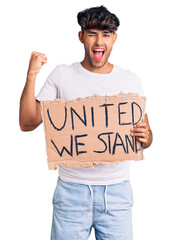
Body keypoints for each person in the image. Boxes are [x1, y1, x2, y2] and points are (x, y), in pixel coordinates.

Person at [19, 5, 153, 240]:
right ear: (81, 37)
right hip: (71, 193)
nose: (98, 41)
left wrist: (148, 137)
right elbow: (27, 122)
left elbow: (145, 135)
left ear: (114, 39)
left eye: (106, 34)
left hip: (117, 195)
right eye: (92, 33)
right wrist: (31, 76)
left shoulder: (130, 80)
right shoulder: (62, 75)